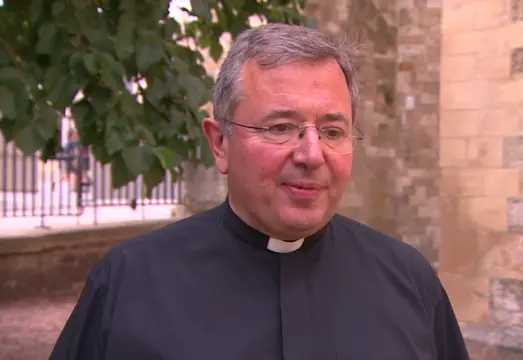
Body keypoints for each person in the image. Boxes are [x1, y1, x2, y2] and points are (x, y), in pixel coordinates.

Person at [49, 23, 470, 359]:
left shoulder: (409, 281)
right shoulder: (128, 283)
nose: (311, 154)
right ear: (220, 143)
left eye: (332, 131)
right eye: (280, 127)